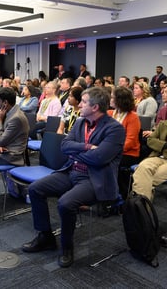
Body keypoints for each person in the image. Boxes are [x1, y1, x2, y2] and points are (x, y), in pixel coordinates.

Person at [21, 87, 125, 268]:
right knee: (35, 188)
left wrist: (77, 152)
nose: (79, 104)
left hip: (94, 179)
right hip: (72, 171)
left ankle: (67, 247)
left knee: (66, 203)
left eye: (84, 102)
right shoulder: (80, 122)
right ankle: (45, 236)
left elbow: (99, 158)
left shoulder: (115, 129)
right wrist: (86, 148)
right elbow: (65, 145)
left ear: (95, 107)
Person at [108, 87, 141, 199]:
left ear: (120, 100)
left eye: (112, 97)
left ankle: (114, 197)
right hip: (112, 150)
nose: (110, 99)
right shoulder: (110, 114)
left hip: (129, 153)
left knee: (106, 162)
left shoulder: (133, 117)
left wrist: (111, 150)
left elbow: (130, 142)